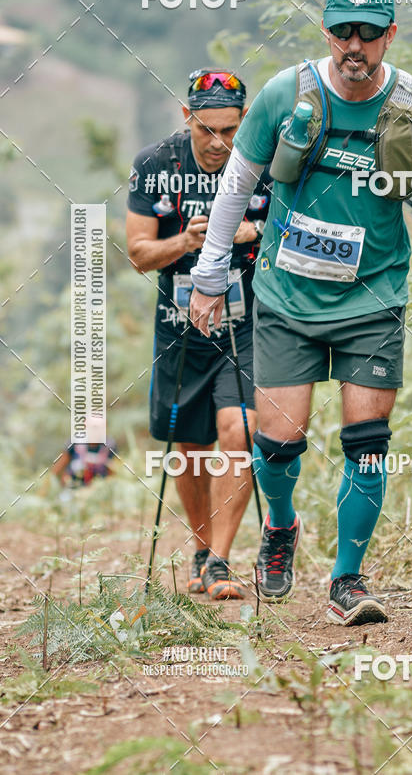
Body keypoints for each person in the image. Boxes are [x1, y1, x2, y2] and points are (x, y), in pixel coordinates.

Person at [189, 0, 412, 625]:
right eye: (343, 30)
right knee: (279, 445)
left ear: (391, 34)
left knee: (367, 442)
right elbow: (236, 188)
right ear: (326, 30)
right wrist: (208, 278)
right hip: (286, 300)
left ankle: (347, 579)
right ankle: (280, 529)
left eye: (369, 32)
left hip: (373, 300)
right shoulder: (287, 93)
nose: (354, 45)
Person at [126, 69, 270, 599]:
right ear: (187, 116)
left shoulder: (265, 157)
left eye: (230, 130)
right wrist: (185, 240)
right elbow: (139, 254)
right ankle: (202, 548)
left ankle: (223, 562)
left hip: (250, 321)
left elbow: (298, 223)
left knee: (241, 429)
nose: (219, 143)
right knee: (190, 446)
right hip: (180, 326)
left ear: (243, 122)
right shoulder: (155, 165)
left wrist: (252, 230)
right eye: (207, 129)